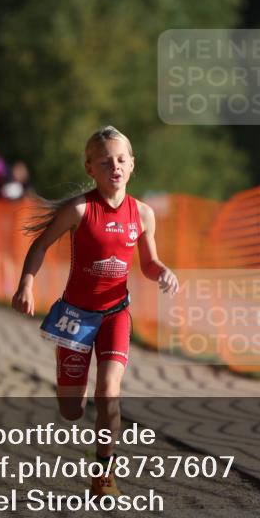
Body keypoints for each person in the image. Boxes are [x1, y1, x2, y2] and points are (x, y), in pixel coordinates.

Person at [12, 125, 179, 497]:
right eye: (105, 162)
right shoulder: (79, 210)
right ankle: (76, 398)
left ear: (133, 165)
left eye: (121, 160)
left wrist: (162, 271)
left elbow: (149, 263)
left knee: (108, 393)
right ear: (90, 168)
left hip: (116, 314)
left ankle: (104, 473)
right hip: (76, 316)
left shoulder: (144, 214)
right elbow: (40, 246)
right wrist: (26, 284)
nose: (114, 167)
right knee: (72, 409)